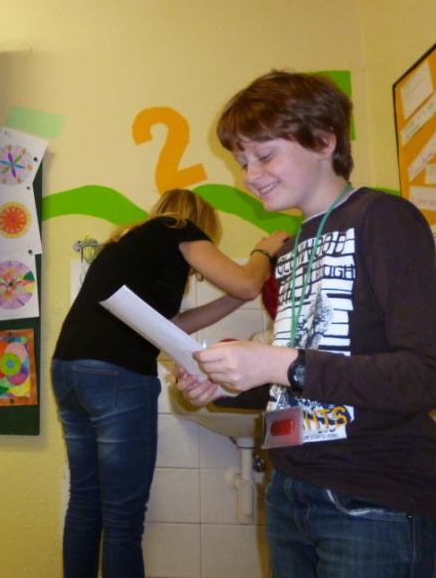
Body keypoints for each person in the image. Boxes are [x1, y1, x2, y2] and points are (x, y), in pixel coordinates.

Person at [177, 70, 436, 578]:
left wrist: (279, 363)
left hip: (370, 498)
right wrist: (229, 382)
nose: (250, 175)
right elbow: (309, 376)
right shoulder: (293, 246)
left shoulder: (383, 218)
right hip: (291, 486)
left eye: (265, 155)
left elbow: (432, 375)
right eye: (242, 162)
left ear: (325, 141)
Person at [51, 188, 289, 578]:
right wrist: (264, 251)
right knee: (123, 518)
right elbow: (248, 283)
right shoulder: (176, 227)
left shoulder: (131, 247)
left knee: (85, 504)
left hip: (69, 370)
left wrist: (234, 299)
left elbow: (172, 327)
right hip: (116, 373)